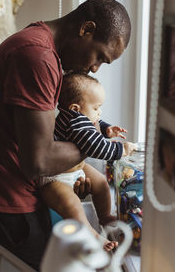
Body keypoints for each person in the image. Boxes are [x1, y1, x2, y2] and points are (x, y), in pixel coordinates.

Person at [0, 0, 131, 270]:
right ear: (86, 29)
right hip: (5, 203)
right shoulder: (37, 57)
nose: (95, 69)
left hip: (15, 192)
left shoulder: (38, 45)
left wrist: (74, 166)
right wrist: (96, 144)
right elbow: (38, 160)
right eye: (100, 57)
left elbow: (43, 140)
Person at [40, 72, 136, 251]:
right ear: (76, 108)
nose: (99, 112)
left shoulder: (76, 117)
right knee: (72, 206)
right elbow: (94, 146)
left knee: (100, 182)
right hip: (54, 178)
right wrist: (121, 150)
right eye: (96, 107)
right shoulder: (75, 121)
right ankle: (94, 235)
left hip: (74, 168)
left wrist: (106, 130)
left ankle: (105, 217)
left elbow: (93, 124)